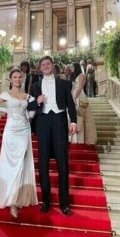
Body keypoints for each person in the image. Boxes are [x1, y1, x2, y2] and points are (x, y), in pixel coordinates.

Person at [28, 56, 77, 216]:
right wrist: (37, 101)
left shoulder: (64, 83)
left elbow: (70, 103)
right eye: (43, 64)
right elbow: (29, 106)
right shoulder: (35, 86)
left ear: (53, 66)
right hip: (42, 122)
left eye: (48, 63)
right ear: (40, 68)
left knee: (62, 162)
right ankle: (46, 201)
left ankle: (64, 203)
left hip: (59, 120)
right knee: (43, 163)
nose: (46, 66)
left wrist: (73, 122)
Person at [0, 68, 38, 218]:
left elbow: (31, 114)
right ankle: (10, 199)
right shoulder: (6, 95)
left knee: (22, 164)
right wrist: (7, 112)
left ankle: (17, 199)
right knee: (10, 164)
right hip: (11, 131)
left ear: (22, 79)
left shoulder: (27, 96)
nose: (17, 79)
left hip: (24, 130)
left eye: (19, 77)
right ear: (10, 79)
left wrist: (33, 111)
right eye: (14, 77)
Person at [70, 62, 97, 145]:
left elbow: (79, 87)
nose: (71, 68)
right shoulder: (73, 76)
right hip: (73, 95)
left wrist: (74, 98)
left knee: (81, 118)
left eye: (72, 67)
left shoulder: (81, 75)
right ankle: (75, 138)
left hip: (79, 97)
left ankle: (83, 139)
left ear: (76, 67)